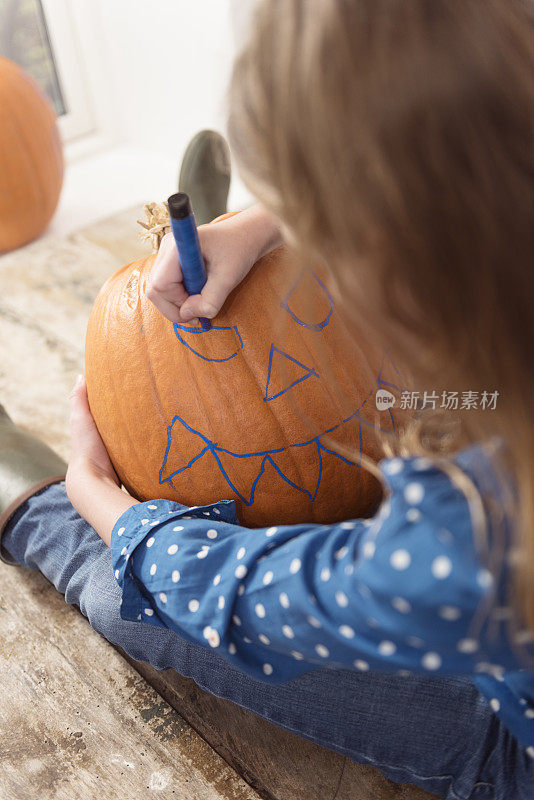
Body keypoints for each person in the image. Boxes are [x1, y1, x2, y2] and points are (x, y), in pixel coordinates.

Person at [1, 1, 534, 797]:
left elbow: (249, 593)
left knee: (136, 596)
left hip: (512, 743)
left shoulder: (468, 538)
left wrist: (108, 509)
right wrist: (266, 223)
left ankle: (36, 508)